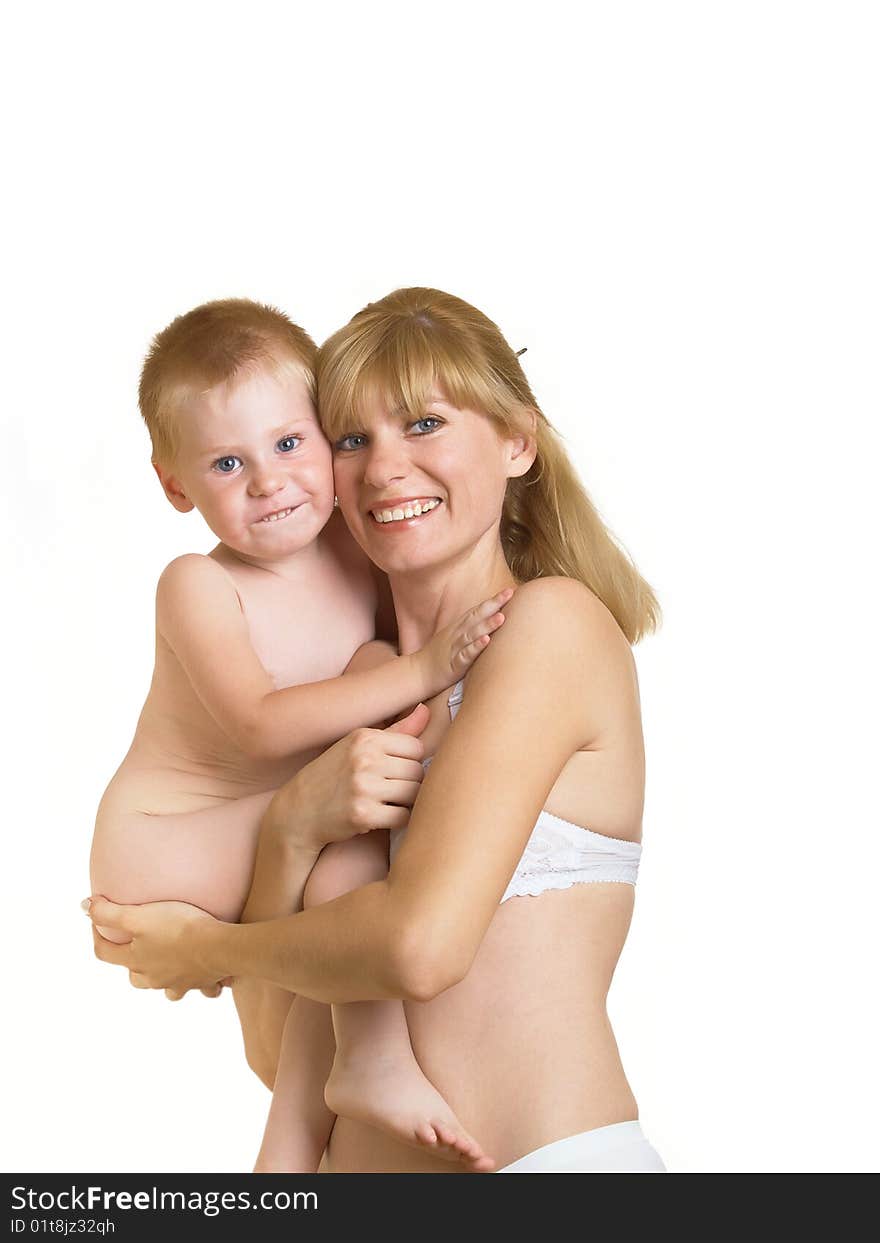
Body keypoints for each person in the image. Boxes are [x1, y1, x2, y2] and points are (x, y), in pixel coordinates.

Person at [88, 286, 668, 1173]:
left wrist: (201, 946)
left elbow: (418, 945)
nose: (385, 467)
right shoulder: (342, 693)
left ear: (518, 440)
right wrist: (292, 827)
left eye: (424, 424)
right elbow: (278, 1052)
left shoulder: (549, 627)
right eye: (352, 438)